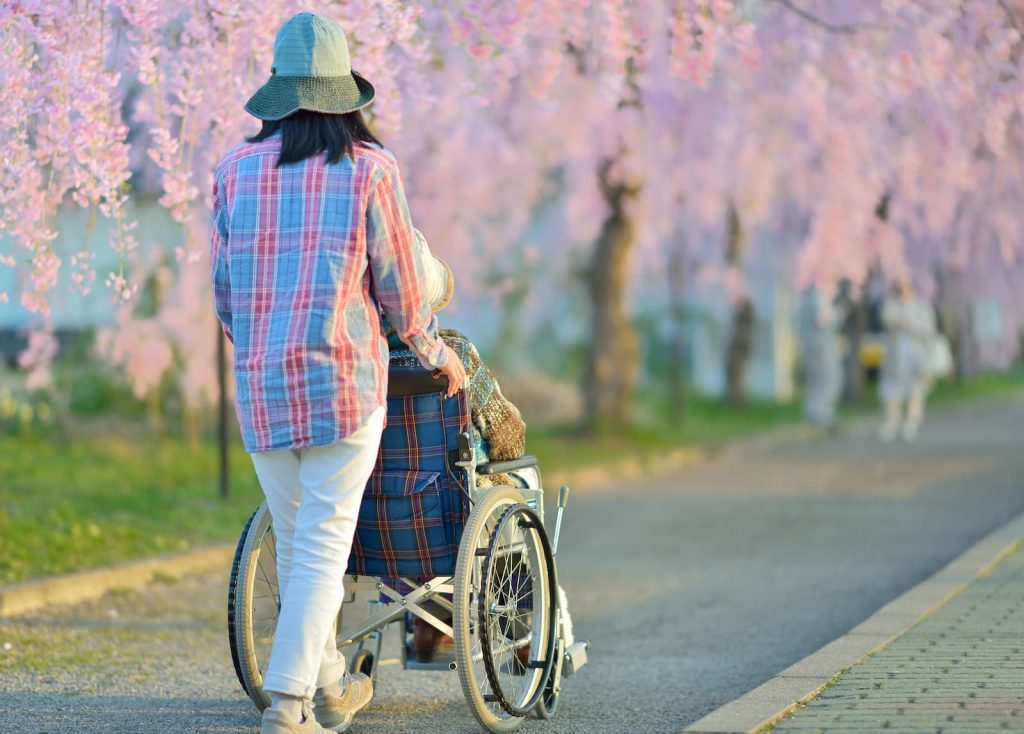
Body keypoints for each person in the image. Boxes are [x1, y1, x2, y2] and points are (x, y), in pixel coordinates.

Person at [209, 12, 466, 734]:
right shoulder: (370, 170)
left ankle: (329, 686)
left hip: (264, 389)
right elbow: (402, 290)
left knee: (300, 545)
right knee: (322, 545)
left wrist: (262, 344)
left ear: (279, 93)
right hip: (343, 386)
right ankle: (288, 703)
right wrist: (436, 354)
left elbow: (225, 294)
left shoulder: (234, 172)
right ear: (343, 94)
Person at [878, 281, 936, 442]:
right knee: (892, 390)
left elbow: (929, 330)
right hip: (895, 356)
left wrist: (913, 326)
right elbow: (886, 320)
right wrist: (899, 322)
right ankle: (892, 421)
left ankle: (912, 422)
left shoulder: (922, 307)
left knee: (915, 390)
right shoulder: (891, 305)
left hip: (916, 355)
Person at [799, 285, 847, 430]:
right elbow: (822, 319)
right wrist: (839, 313)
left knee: (816, 380)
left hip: (813, 345)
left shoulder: (808, 297)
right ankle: (821, 413)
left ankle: (813, 412)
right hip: (822, 346)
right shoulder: (818, 296)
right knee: (829, 378)